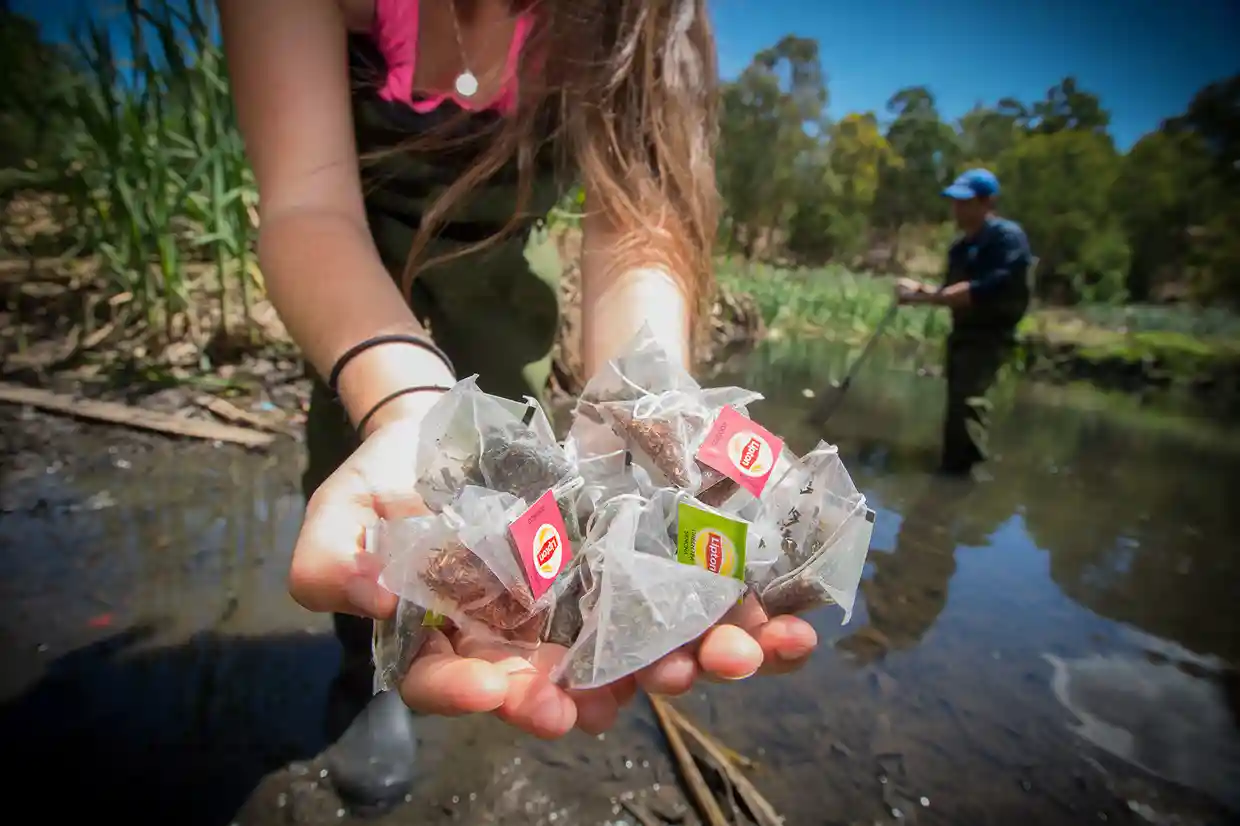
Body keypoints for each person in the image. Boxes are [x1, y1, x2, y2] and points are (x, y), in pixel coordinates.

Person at [218, 0, 819, 813]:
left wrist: (663, 413)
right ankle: (373, 673)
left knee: (517, 464)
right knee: (366, 478)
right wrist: (406, 405)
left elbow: (637, 227)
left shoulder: (638, 18)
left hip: (501, 275)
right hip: (349, 279)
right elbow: (305, 208)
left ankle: (517, 609)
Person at [894, 168, 1032, 476]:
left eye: (965, 202)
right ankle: (952, 473)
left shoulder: (1006, 238)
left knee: (968, 403)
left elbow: (983, 289)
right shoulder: (959, 248)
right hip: (963, 333)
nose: (957, 209)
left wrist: (921, 296)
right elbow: (947, 293)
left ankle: (964, 480)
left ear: (986, 203)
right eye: (955, 202)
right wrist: (916, 292)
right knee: (956, 404)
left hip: (991, 334)